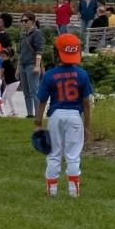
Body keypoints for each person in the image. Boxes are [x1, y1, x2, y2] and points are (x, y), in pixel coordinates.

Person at [34, 34, 93, 197]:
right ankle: (74, 191)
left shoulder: (50, 75)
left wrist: (38, 123)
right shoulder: (82, 74)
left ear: (56, 52)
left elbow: (42, 101)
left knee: (54, 154)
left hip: (56, 116)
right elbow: (87, 103)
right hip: (75, 116)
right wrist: (87, 127)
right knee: (73, 155)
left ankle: (51, 191)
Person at [19, 12, 44, 118]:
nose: (24, 23)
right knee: (26, 92)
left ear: (32, 21)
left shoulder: (37, 33)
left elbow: (39, 50)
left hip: (31, 64)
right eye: (22, 21)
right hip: (22, 65)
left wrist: (37, 65)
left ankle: (38, 115)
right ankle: (29, 114)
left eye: (26, 20)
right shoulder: (23, 34)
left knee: (34, 91)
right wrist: (17, 68)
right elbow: (20, 52)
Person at [0, 48, 20, 117]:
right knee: (3, 97)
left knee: (9, 97)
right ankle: (0, 109)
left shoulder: (5, 63)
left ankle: (13, 111)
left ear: (8, 56)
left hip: (13, 83)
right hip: (11, 83)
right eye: (1, 56)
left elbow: (1, 72)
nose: (2, 58)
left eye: (3, 56)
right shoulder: (8, 62)